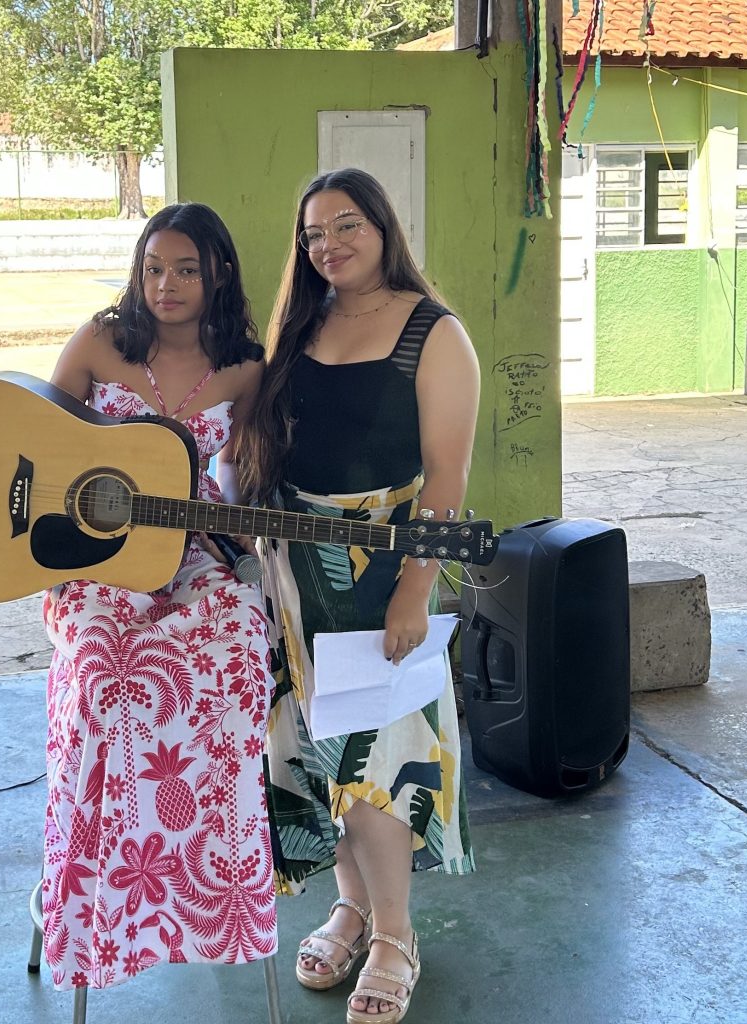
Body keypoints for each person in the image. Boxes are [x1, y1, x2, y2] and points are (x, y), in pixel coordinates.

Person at [0, 203, 277, 991]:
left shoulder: (247, 367)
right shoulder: (103, 341)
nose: (166, 285)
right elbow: (38, 440)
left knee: (241, 651)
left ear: (218, 271)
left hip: (184, 553)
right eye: (153, 268)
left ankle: (204, 885)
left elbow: (229, 477)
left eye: (186, 268)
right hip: (91, 567)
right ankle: (86, 883)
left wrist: (242, 526)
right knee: (104, 683)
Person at [238, 168, 481, 1024]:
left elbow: (446, 477)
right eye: (312, 234)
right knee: (310, 755)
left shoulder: (433, 332)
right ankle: (349, 907)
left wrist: (415, 588)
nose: (328, 245)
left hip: (381, 574)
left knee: (376, 763)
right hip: (293, 578)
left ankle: (396, 935)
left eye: (346, 226)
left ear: (383, 229)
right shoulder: (299, 326)